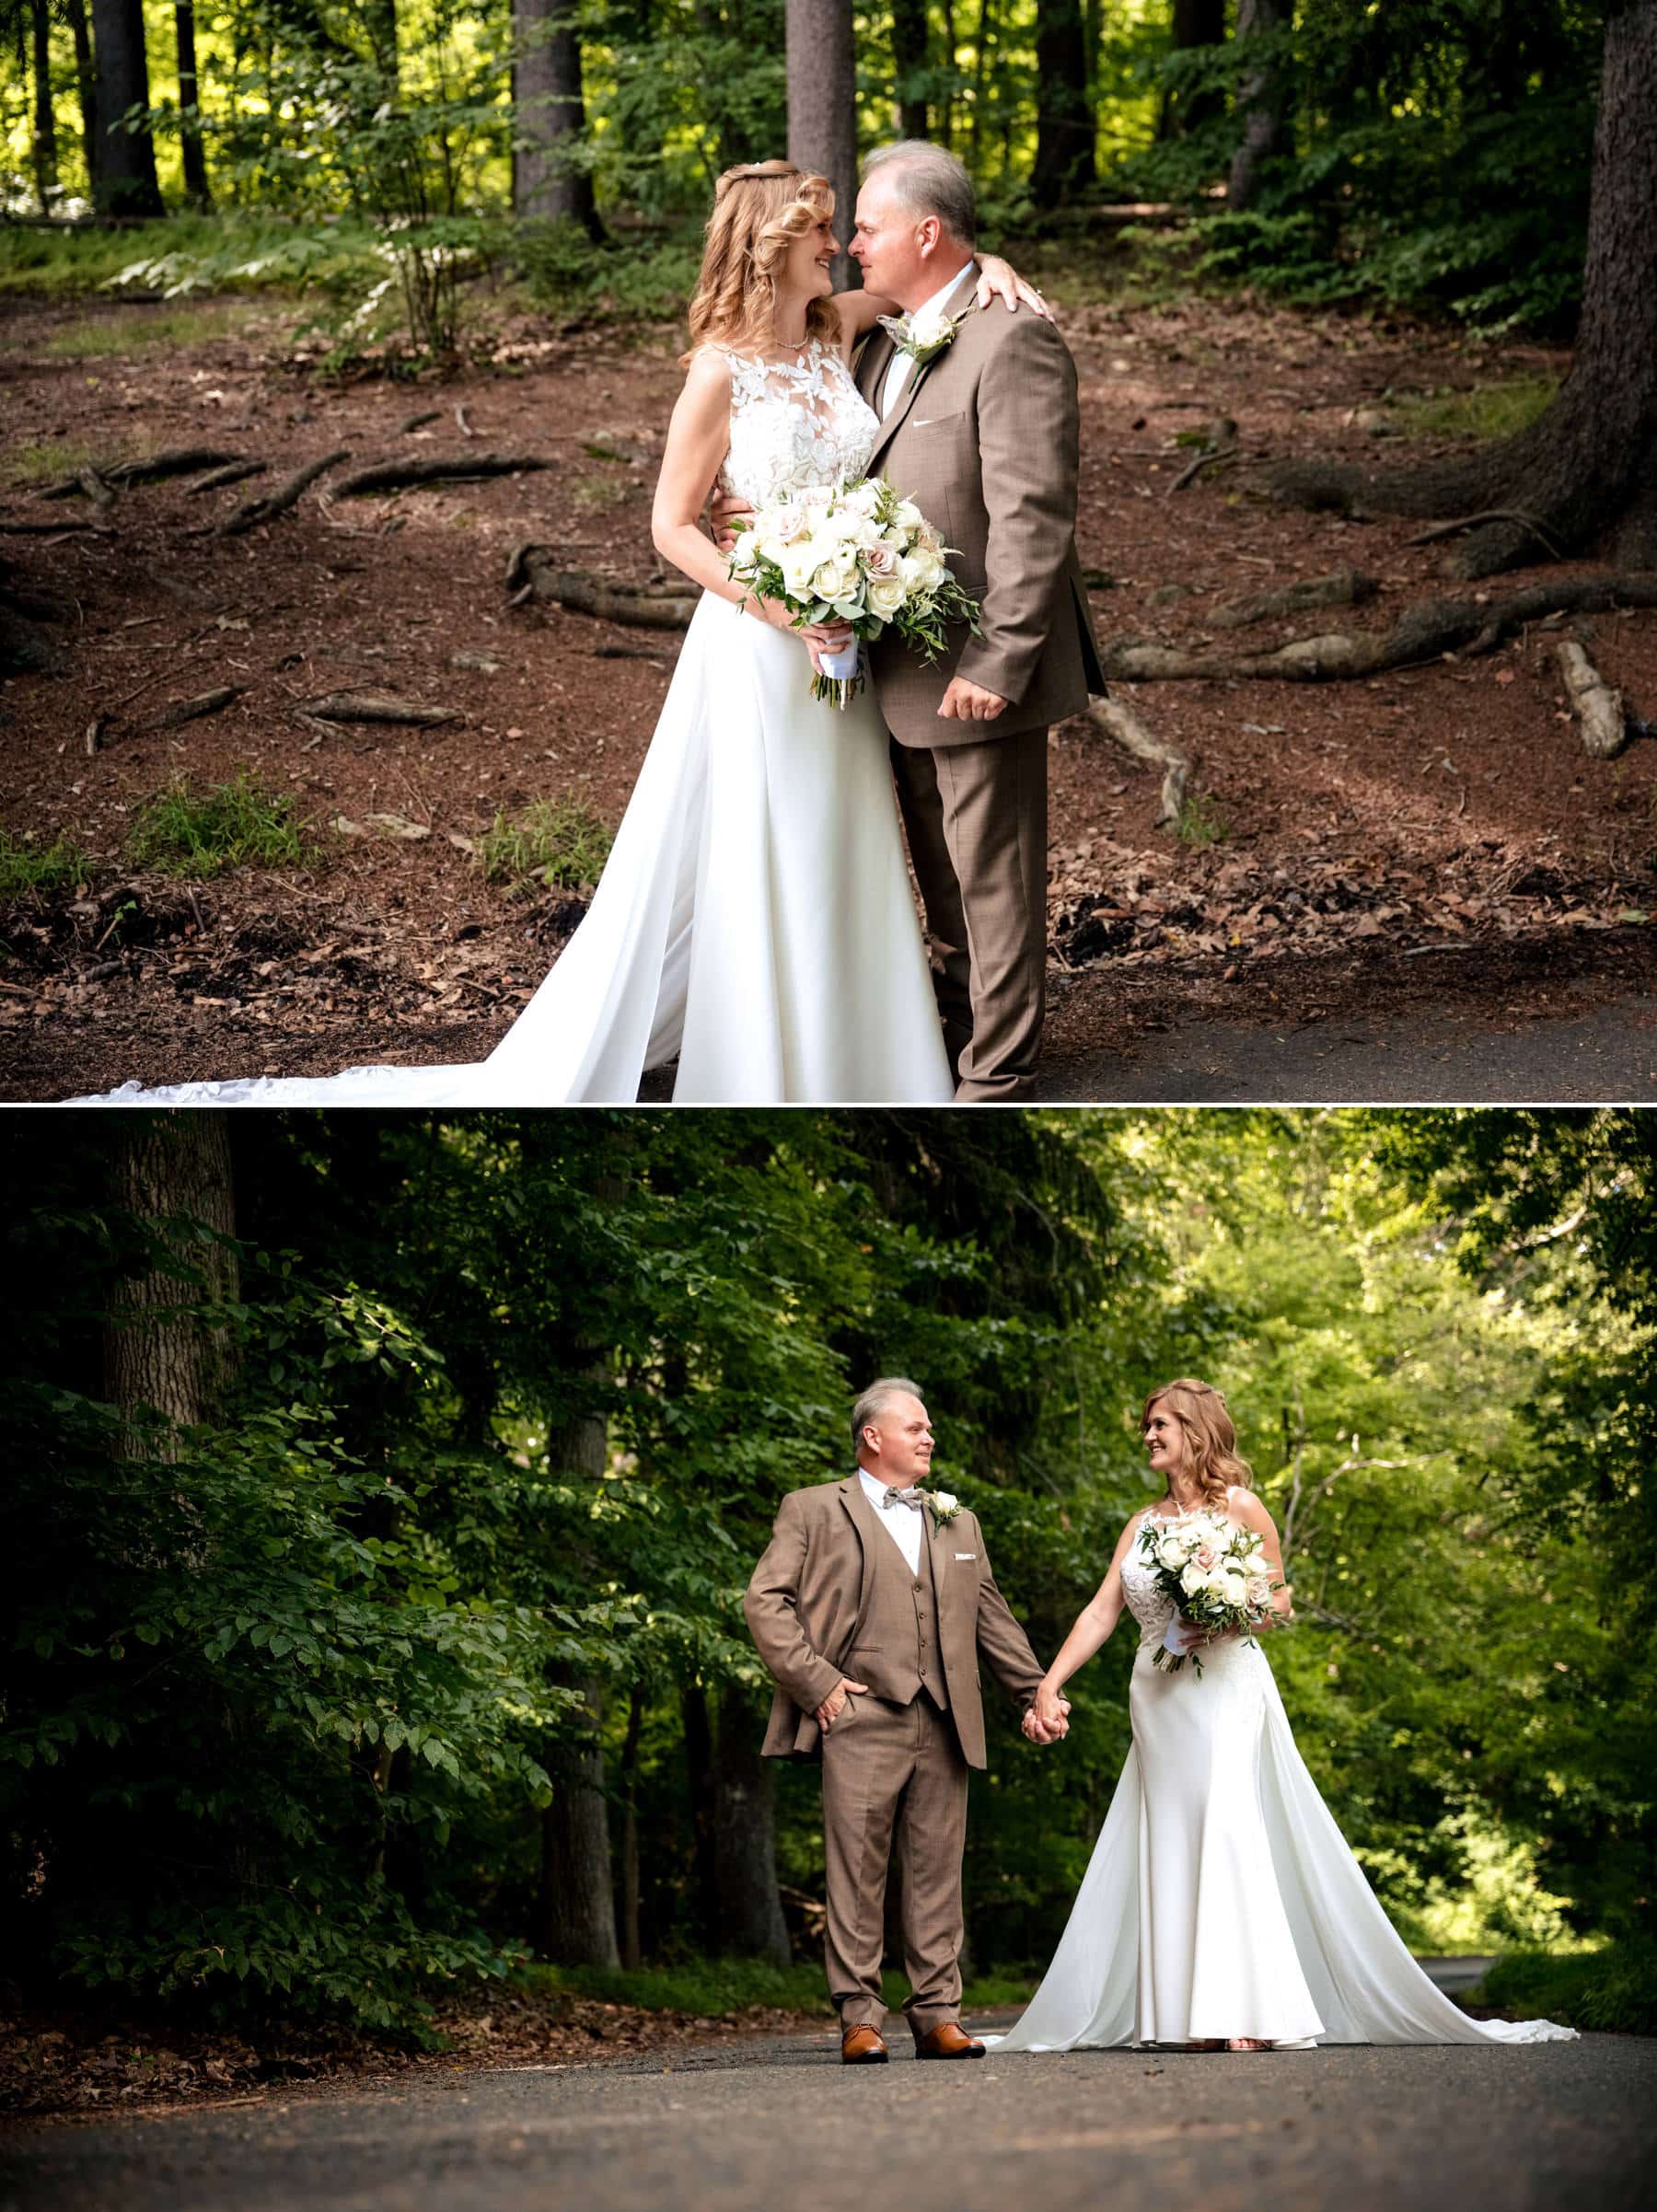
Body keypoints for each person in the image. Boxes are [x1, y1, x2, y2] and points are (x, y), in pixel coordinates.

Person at [65, 164, 1049, 1108]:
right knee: (773, 836)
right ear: (770, 245)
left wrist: (994, 268)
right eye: (821, 230)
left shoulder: (839, 330)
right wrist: (781, 605)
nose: (838, 245)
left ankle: (861, 1042)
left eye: (843, 229)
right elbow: (670, 527)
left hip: (844, 642)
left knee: (841, 837)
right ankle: (771, 1055)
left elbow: (944, 292)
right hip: (764, 641)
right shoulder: (718, 374)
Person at [989, 1379, 1577, 2053]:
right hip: (1157, 1695)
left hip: (1223, 1687)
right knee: (1173, 1838)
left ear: (1196, 1430)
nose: (1149, 1435)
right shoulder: (1144, 1523)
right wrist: (1049, 1683)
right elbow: (1103, 1609)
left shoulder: (1241, 1506)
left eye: (1160, 1424)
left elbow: (1279, 1601)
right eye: (1147, 1426)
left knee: (1228, 1828)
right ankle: (1188, 2017)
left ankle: (1247, 2010)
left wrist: (1219, 1611)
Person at [717, 142, 1105, 1103]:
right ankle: (954, 1037)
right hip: (889, 665)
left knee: (994, 883)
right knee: (939, 878)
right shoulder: (879, 331)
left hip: (976, 668)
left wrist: (1002, 658)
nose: (851, 248)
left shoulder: (1012, 339)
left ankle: (998, 1078)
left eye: (870, 230)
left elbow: (1033, 515)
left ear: (927, 234)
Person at [744, 1379, 1069, 2066]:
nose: (929, 1437)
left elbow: (990, 1617)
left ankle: (937, 2015)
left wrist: (1035, 1693)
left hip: (945, 1716)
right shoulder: (811, 1509)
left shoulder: (958, 1521)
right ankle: (860, 2016)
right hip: (858, 1711)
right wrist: (819, 1682)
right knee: (855, 1871)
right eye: (916, 1427)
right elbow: (765, 1601)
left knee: (936, 1873)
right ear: (872, 1436)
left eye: (929, 1428)